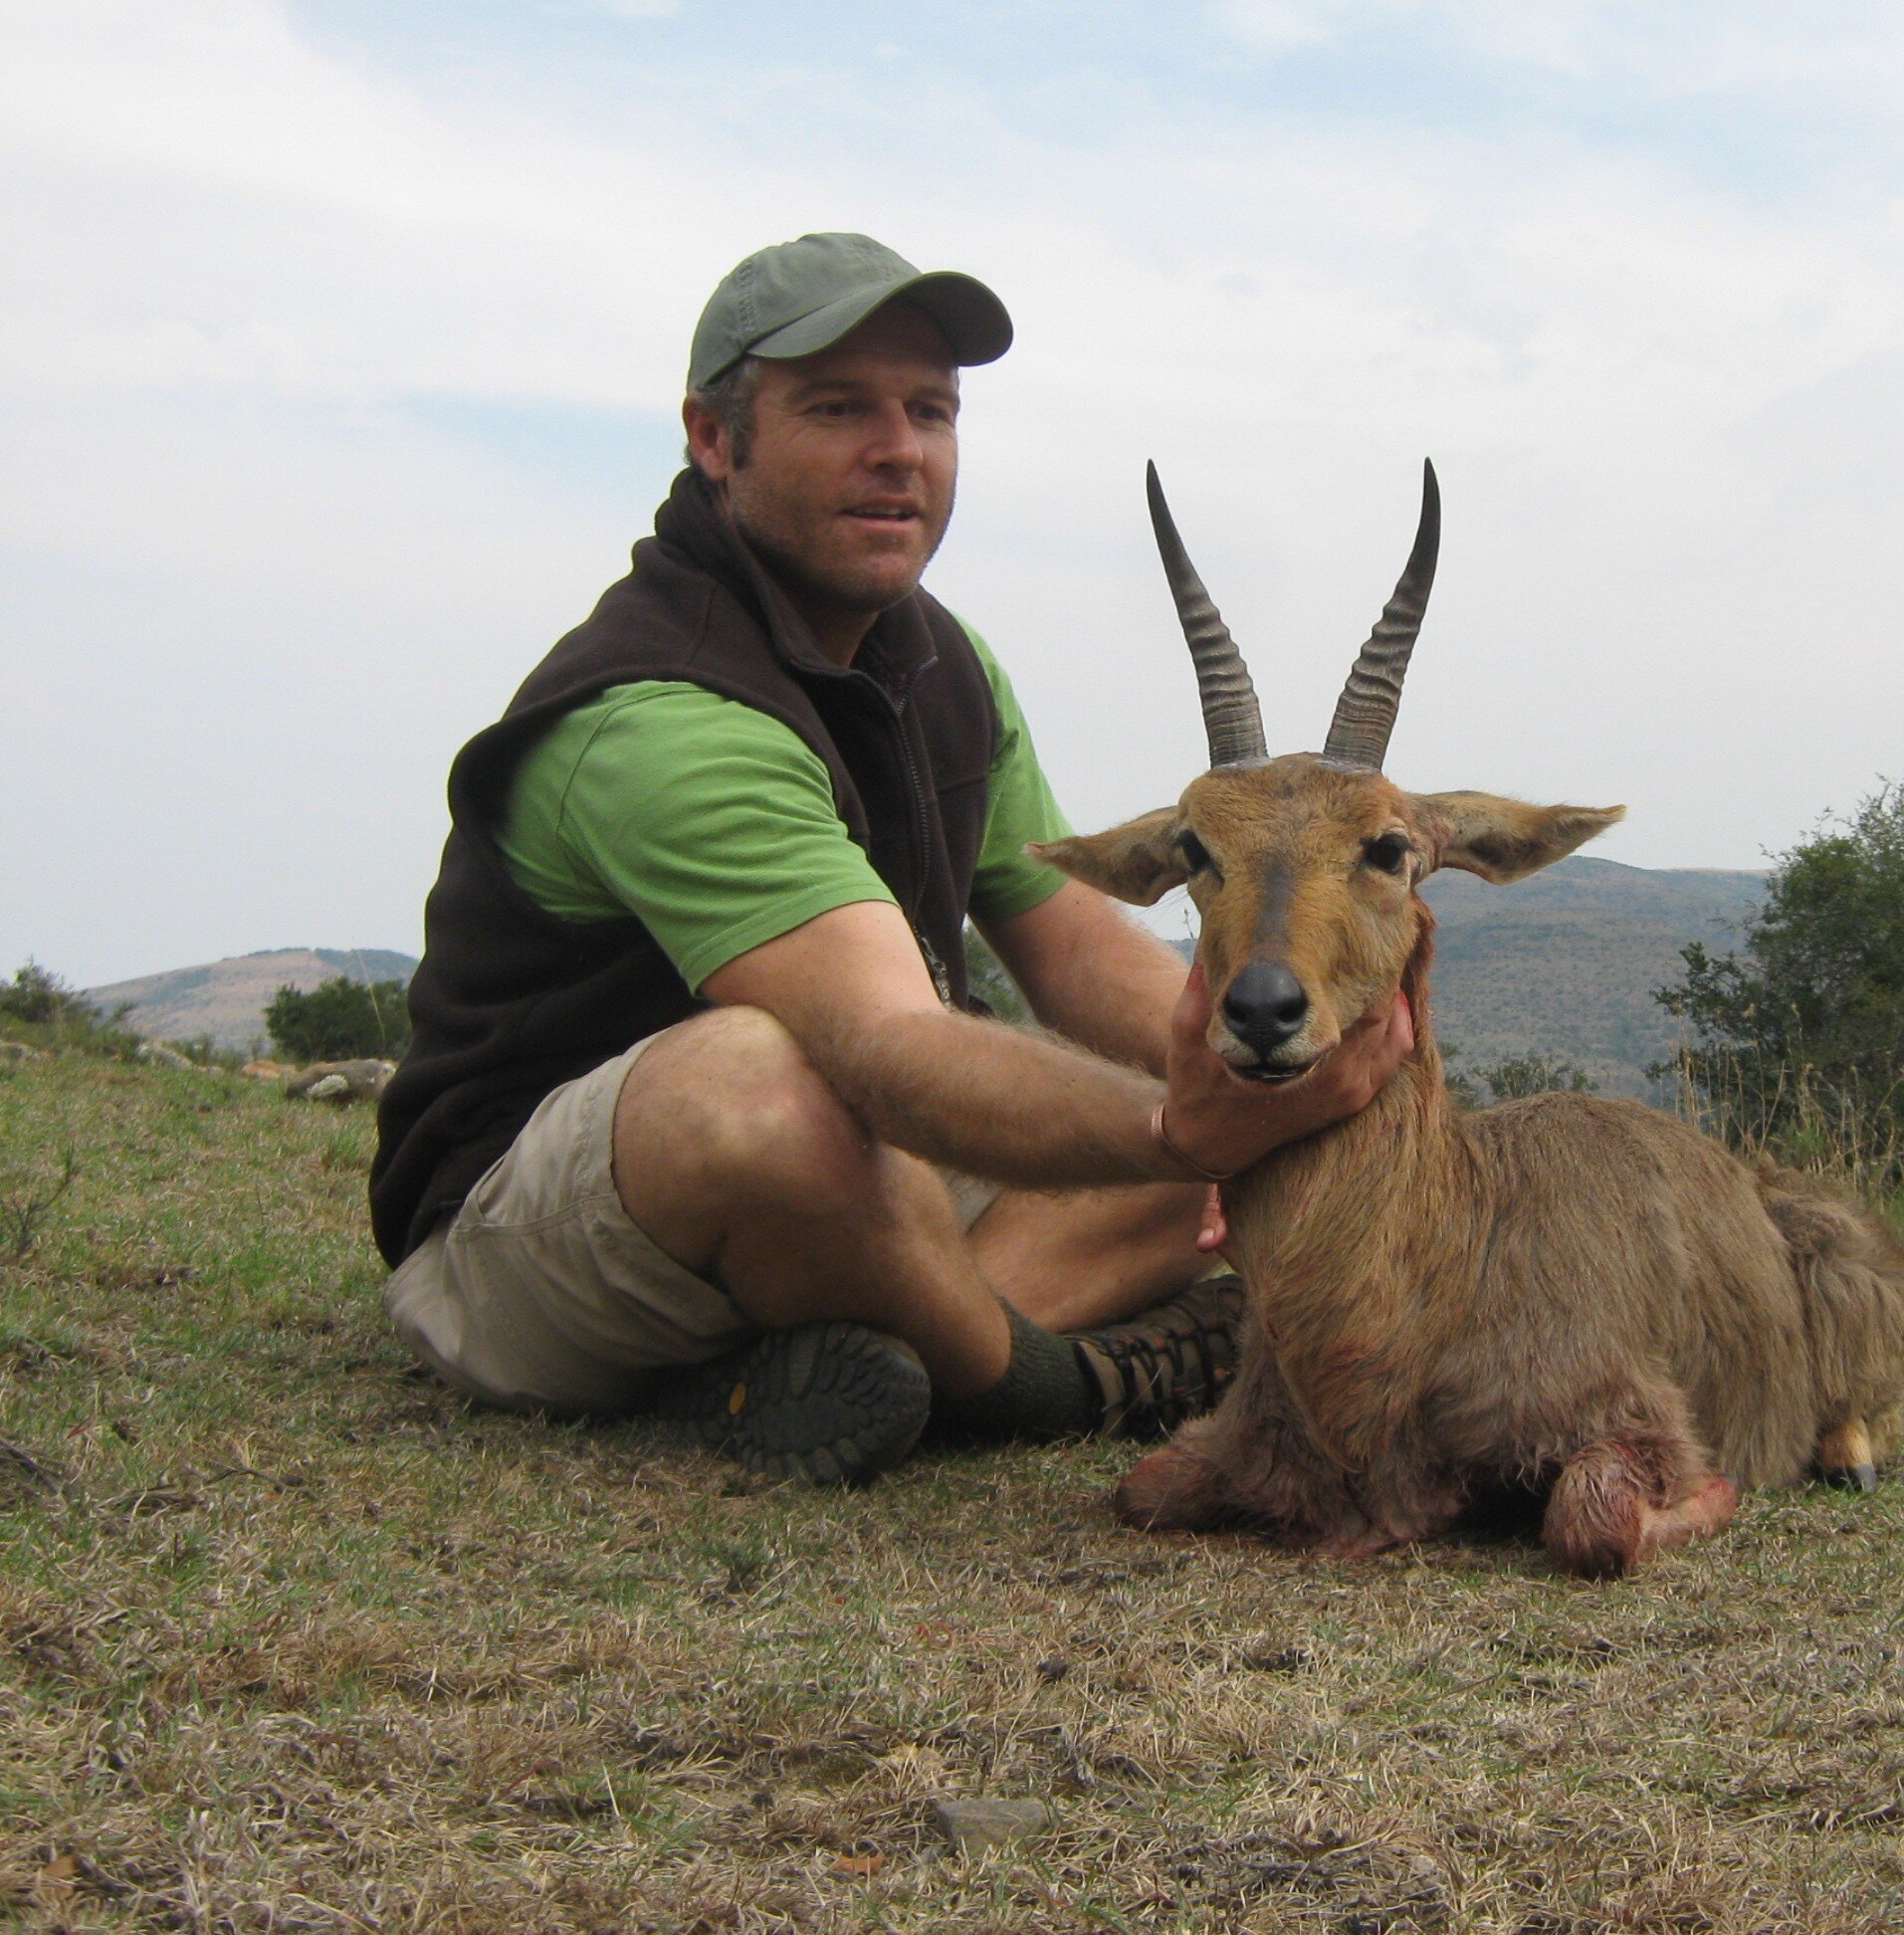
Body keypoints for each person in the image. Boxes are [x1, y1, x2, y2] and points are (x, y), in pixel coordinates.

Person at [369, 232, 1409, 1481]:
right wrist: (1186, 1130)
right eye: (836, 407)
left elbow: (1076, 951)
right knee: (759, 1089)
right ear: (714, 438)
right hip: (543, 1234)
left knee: (1269, 1119)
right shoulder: (661, 713)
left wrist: (1277, 1077)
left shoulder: (943, 661)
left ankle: (838, 1357)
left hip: (872, 1174)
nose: (900, 450)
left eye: (931, 410)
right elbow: (891, 1050)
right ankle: (1036, 1386)